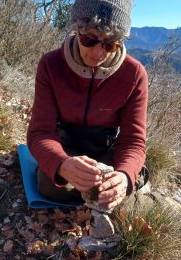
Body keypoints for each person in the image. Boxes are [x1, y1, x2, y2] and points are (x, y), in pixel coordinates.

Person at [27, 0, 148, 210]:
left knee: (117, 187)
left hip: (106, 149)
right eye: (89, 40)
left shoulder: (134, 74)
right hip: (65, 145)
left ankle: (129, 181)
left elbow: (133, 141)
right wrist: (62, 163)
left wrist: (124, 176)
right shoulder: (51, 64)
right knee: (49, 185)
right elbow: (40, 132)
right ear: (77, 30)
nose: (97, 54)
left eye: (110, 44)